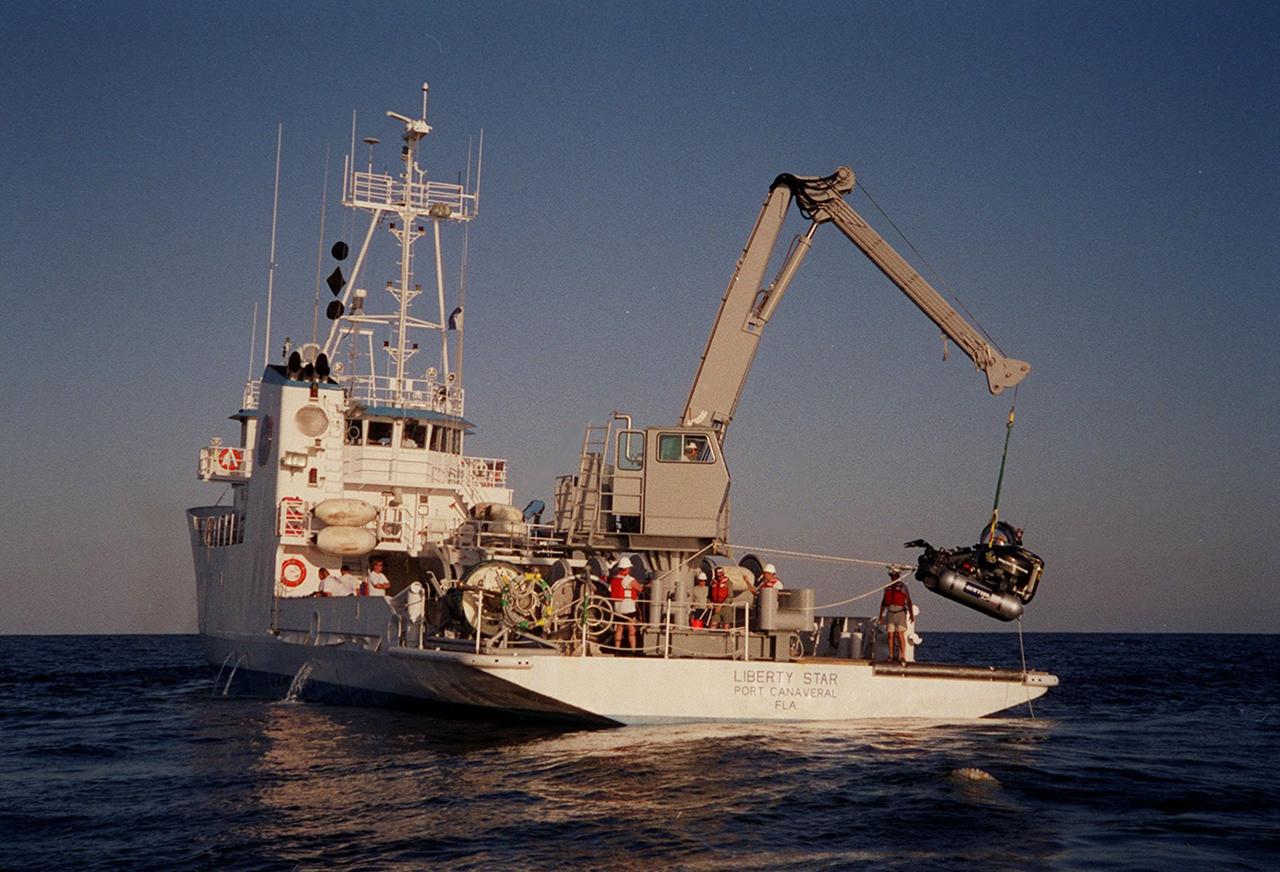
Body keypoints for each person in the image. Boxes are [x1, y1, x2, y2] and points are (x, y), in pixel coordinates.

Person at [608, 557, 644, 652]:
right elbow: (640, 588)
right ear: (627, 569)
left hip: (618, 608)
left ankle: (617, 649)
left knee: (619, 629)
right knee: (632, 631)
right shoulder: (629, 579)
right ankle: (633, 651)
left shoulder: (614, 579)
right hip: (628, 608)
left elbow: (610, 590)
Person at [878, 571, 914, 664]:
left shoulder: (903, 587)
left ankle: (902, 656)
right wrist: (880, 615)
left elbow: (909, 601)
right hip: (890, 613)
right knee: (890, 635)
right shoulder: (887, 588)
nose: (893, 577)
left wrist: (911, 614)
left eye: (895, 576)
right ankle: (891, 655)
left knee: (900, 635)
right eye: (892, 576)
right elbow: (883, 602)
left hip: (900, 613)